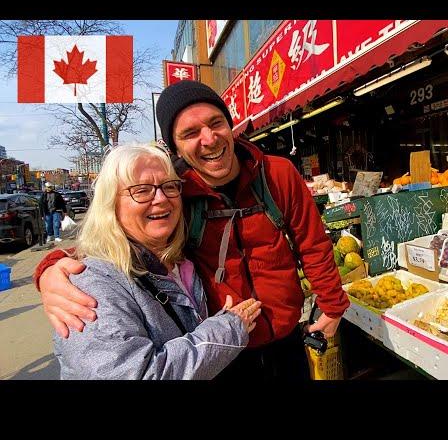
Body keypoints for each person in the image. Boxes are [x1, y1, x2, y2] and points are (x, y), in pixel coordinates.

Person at [35, 80, 350, 381]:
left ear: (230, 126)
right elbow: (114, 238)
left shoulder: (277, 174)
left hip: (285, 337)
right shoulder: (175, 192)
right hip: (220, 351)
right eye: (190, 132)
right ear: (176, 147)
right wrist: (51, 269)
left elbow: (313, 243)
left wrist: (333, 306)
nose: (209, 139)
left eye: (216, 123)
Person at [51, 143, 260, 379]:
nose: (160, 199)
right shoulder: (90, 287)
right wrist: (227, 330)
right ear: (111, 204)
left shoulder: (180, 259)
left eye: (169, 186)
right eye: (141, 190)